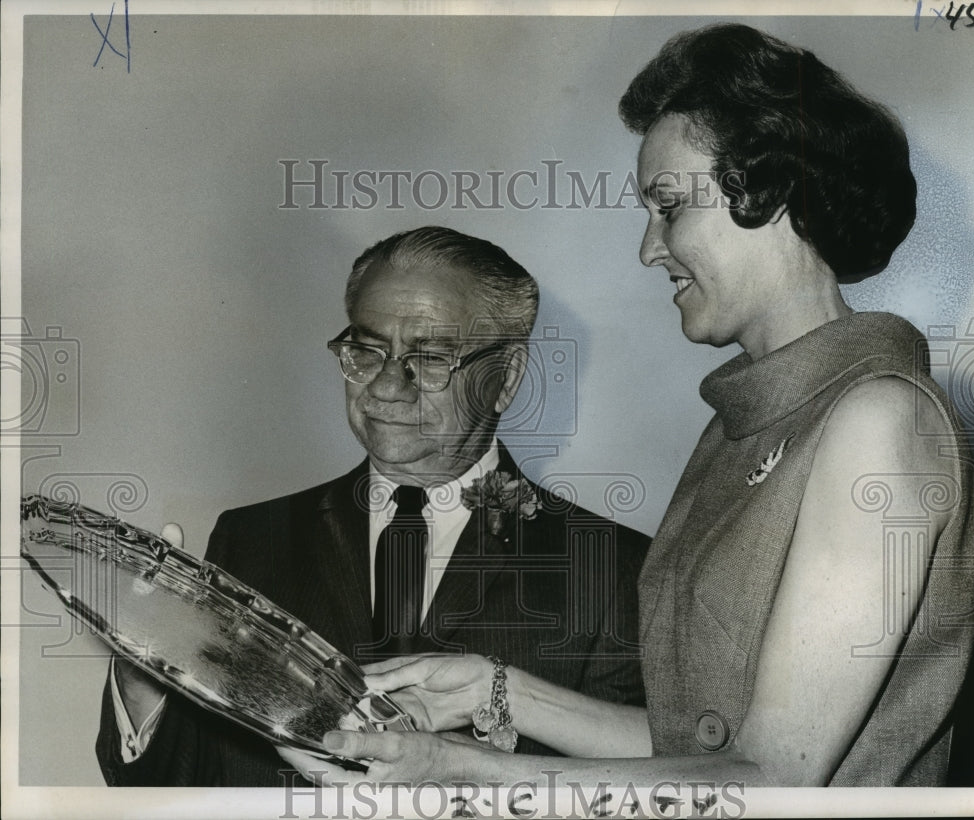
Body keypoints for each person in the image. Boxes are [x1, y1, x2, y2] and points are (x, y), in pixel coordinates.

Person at [279, 23, 974, 788]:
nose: (650, 248)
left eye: (670, 207)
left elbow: (770, 782)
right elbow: (697, 745)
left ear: (772, 194)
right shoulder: (741, 430)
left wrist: (451, 764)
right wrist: (495, 688)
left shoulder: (877, 422)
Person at [95, 226, 650, 786]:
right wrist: (143, 672)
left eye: (430, 358)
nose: (386, 386)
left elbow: (645, 793)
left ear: (505, 379)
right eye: (366, 349)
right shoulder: (248, 540)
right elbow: (168, 790)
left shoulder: (614, 569)